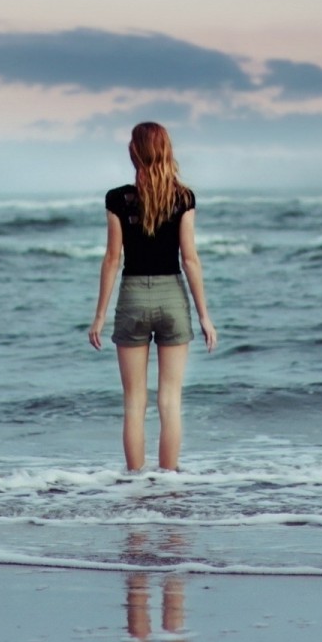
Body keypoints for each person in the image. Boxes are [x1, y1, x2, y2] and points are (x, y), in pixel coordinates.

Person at [88, 122, 217, 472]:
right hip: (172, 297)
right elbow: (190, 259)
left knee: (134, 403)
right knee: (170, 401)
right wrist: (204, 315)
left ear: (135, 152)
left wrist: (99, 315)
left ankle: (135, 484)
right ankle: (169, 482)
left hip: (131, 297)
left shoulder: (117, 199)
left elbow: (112, 259)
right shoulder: (184, 197)